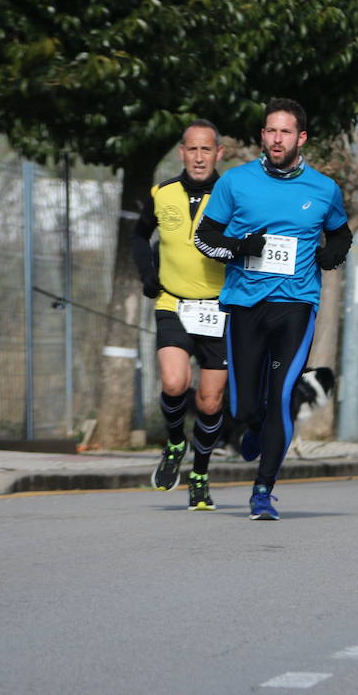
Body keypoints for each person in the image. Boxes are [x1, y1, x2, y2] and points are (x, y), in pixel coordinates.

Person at [193, 99, 351, 520]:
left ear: (301, 138)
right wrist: (239, 247)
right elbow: (204, 237)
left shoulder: (323, 188)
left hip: (296, 303)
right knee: (243, 408)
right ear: (262, 135)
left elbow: (340, 233)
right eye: (269, 131)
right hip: (244, 303)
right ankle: (255, 422)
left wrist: (329, 256)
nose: (276, 138)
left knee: (282, 397)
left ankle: (263, 490)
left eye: (284, 132)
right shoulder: (235, 183)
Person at [133, 120, 229, 511]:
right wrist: (147, 275)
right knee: (174, 382)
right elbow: (140, 236)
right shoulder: (163, 193)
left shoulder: (233, 195)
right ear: (182, 152)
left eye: (207, 149)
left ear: (218, 153)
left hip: (221, 309)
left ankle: (200, 476)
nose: (199, 157)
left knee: (209, 402)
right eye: (192, 149)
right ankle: (175, 442)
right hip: (173, 302)